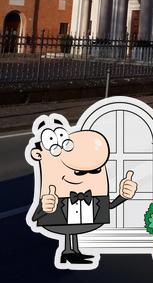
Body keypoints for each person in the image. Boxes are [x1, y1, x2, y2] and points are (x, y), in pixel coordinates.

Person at [27, 114, 137, 268]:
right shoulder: (55, 193)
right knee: (68, 228)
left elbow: (108, 206)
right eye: (79, 172)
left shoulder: (93, 197)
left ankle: (72, 252)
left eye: (96, 170)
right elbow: (36, 216)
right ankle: (68, 252)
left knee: (73, 229)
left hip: (80, 217)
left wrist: (124, 195)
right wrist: (45, 207)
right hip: (62, 217)